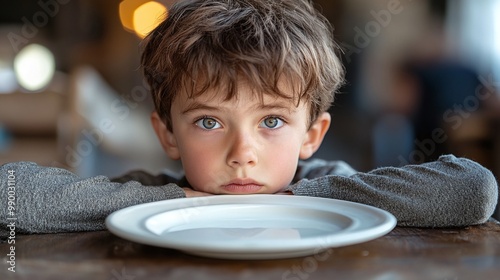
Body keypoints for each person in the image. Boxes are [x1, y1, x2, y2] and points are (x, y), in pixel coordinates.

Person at [0, 0, 498, 239]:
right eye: (209, 123)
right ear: (167, 133)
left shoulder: (331, 186)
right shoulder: (151, 194)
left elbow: (472, 190)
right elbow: (10, 195)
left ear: (313, 134)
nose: (242, 154)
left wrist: (294, 201)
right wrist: (176, 200)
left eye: (273, 122)